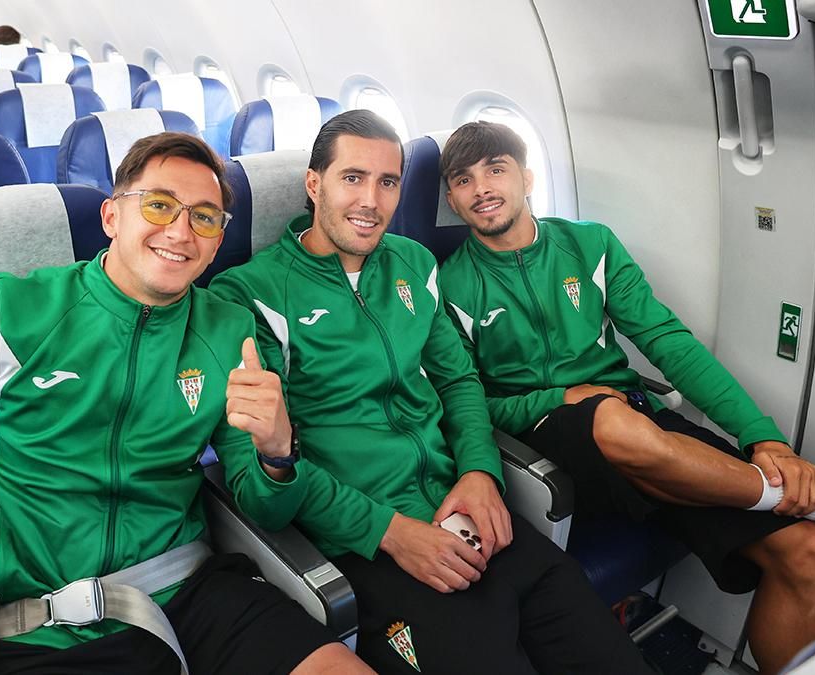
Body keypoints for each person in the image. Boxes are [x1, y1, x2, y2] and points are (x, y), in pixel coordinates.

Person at [0, 133, 369, 675]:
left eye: (205, 218)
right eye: (159, 205)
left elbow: (267, 509)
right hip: (41, 624)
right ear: (112, 217)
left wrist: (277, 454)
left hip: (195, 591)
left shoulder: (229, 331)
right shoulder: (4, 313)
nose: (180, 231)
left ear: (217, 241)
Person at [435, 120, 815, 674]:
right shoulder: (448, 286)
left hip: (634, 422)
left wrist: (762, 437)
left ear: (526, 177)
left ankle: (800, 499)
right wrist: (562, 394)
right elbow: (466, 399)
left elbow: (668, 343)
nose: (481, 188)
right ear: (452, 199)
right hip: (544, 438)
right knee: (610, 419)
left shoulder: (589, 245)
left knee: (805, 551)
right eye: (463, 179)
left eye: (496, 169)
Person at [209, 110, 652, 674]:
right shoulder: (247, 294)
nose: (371, 200)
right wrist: (391, 533)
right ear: (314, 184)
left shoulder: (414, 264)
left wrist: (480, 474)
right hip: (370, 547)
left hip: (466, 509)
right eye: (352, 178)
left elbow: (459, 382)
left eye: (388, 182)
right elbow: (261, 490)